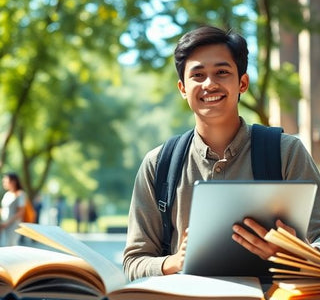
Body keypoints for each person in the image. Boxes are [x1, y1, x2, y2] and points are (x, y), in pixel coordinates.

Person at [123, 25, 320, 281]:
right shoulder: (158, 164)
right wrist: (174, 262)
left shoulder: (286, 152)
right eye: (198, 75)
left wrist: (291, 254)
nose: (210, 84)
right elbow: (133, 262)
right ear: (182, 88)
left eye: (222, 72)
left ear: (243, 83)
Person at [0, 172, 26, 246]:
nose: (4, 183)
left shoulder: (20, 194)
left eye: (6, 181)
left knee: (10, 245)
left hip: (13, 225)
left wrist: (7, 222)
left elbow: (20, 212)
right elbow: (4, 209)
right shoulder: (7, 194)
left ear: (13, 182)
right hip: (4, 224)